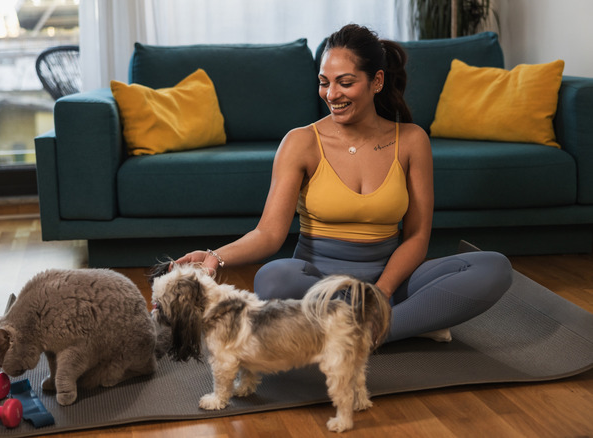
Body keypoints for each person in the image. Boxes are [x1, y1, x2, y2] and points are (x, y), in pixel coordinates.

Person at [175, 24, 512, 343]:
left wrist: (381, 291)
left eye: (345, 82)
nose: (331, 94)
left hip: (389, 280)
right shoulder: (301, 142)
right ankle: (407, 323)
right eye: (324, 82)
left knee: (493, 267)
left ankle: (367, 331)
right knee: (273, 278)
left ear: (376, 81)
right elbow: (268, 234)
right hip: (318, 283)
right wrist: (215, 256)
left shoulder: (411, 140)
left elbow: (417, 236)